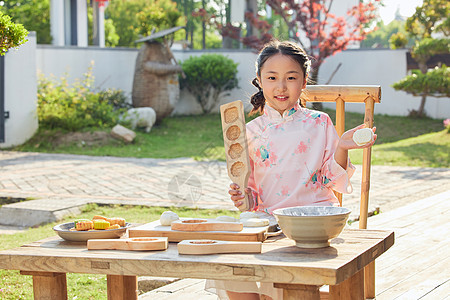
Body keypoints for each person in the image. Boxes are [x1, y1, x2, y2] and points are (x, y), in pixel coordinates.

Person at [206, 40, 377, 300]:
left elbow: (333, 178)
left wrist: (342, 146)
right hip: (270, 223)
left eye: (291, 77)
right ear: (260, 81)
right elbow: (252, 198)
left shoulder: (319, 123)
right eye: (272, 77)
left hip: (315, 223)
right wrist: (244, 198)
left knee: (287, 279)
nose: (281, 86)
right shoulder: (249, 133)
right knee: (230, 263)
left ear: (304, 81)